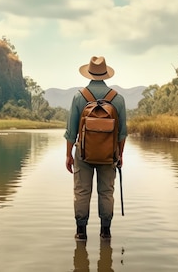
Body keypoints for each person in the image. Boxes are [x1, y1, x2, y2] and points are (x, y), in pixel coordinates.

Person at [65, 56, 127, 241]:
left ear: (89, 74)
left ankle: (81, 232)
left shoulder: (79, 97)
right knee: (106, 192)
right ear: (106, 74)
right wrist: (120, 154)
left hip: (83, 154)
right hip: (109, 155)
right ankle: (105, 232)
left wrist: (68, 155)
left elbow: (70, 132)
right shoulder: (118, 99)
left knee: (82, 192)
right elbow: (122, 133)